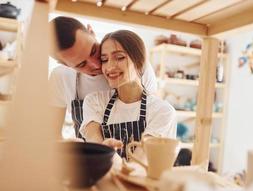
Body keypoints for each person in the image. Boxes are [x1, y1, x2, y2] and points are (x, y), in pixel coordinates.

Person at [48, 16, 157, 138]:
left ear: (91, 31)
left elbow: (153, 117)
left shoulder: (136, 68)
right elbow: (52, 134)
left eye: (94, 50)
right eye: (82, 64)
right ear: (65, 64)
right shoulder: (60, 77)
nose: (96, 64)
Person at [79, 30, 176, 158]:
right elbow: (93, 139)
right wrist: (102, 148)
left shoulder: (162, 111)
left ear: (139, 61)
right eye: (104, 60)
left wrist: (109, 158)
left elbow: (141, 160)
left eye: (119, 57)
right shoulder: (94, 101)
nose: (110, 67)